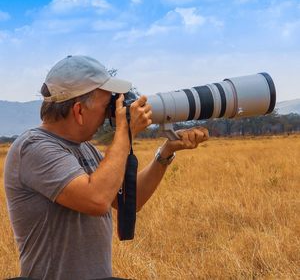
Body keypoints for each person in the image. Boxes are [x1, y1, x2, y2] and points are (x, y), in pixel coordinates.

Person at [4, 55, 209, 280]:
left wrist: (166, 152)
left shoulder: (85, 148)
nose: (110, 114)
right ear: (79, 111)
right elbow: (97, 200)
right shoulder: (33, 147)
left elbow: (130, 199)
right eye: (106, 106)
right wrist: (125, 132)